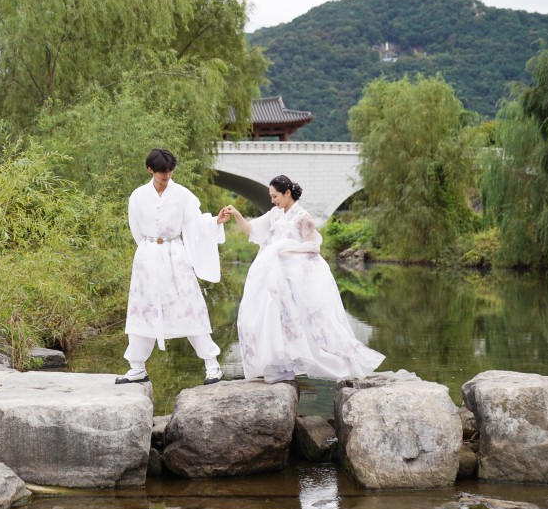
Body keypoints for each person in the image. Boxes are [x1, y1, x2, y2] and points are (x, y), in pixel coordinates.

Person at [224, 175, 384, 383]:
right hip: (272, 276)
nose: (273, 200)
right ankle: (278, 364)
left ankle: (325, 361)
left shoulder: (303, 217)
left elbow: (313, 246)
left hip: (294, 275)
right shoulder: (275, 214)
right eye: (271, 197)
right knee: (270, 317)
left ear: (287, 193)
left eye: (275, 196)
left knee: (303, 320)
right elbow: (251, 230)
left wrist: (288, 249)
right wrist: (236, 214)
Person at [116, 148, 230, 386]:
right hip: (147, 257)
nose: (166, 176)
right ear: (150, 170)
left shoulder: (182, 195)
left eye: (169, 171)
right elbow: (135, 228)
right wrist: (149, 250)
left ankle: (212, 364)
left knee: (190, 307)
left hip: (175, 255)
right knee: (143, 308)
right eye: (161, 172)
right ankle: (137, 367)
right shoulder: (138, 196)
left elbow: (195, 223)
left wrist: (215, 221)